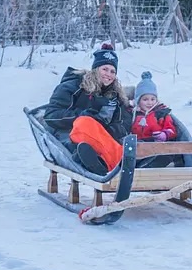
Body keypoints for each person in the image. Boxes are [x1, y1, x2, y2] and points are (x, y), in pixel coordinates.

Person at [42, 42, 131, 173]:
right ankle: (101, 161)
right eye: (105, 69)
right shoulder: (73, 86)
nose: (109, 74)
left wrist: (107, 127)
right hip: (68, 131)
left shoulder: (115, 95)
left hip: (99, 136)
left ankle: (101, 163)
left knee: (109, 139)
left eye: (113, 71)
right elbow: (51, 116)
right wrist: (82, 115)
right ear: (95, 69)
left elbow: (123, 124)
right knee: (83, 126)